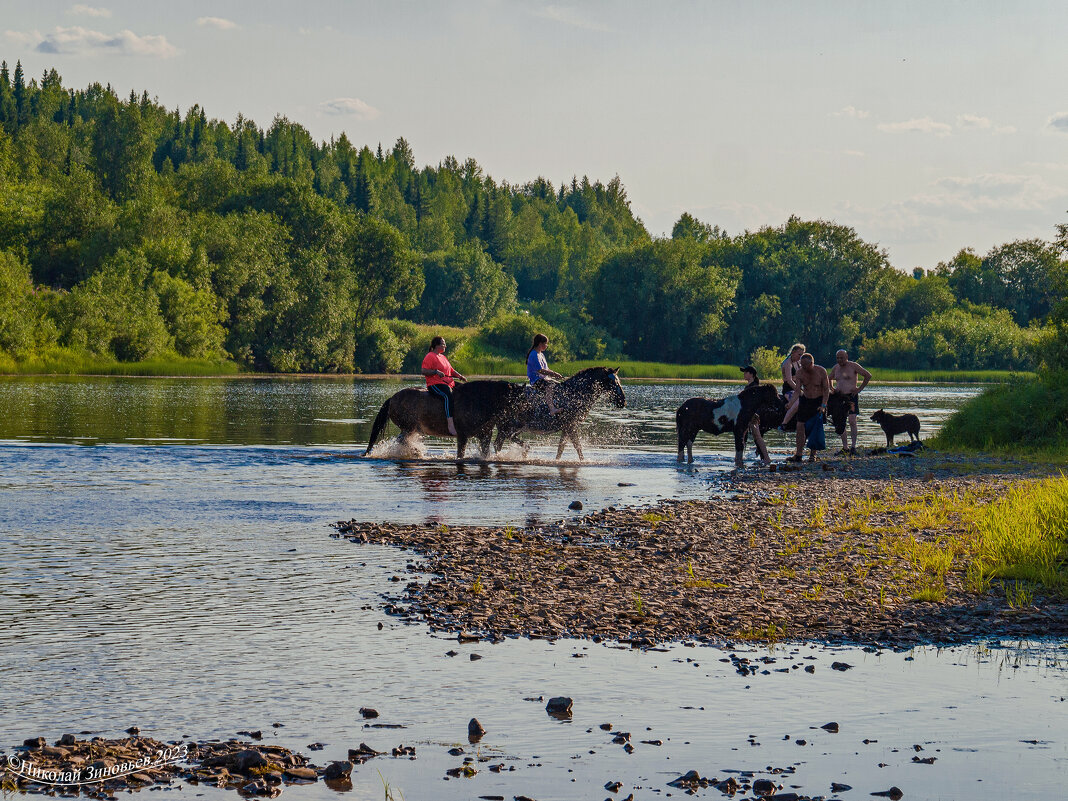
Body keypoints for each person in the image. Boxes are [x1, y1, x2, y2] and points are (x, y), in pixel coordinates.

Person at [421, 336, 467, 436]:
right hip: (435, 384)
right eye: (443, 343)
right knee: (447, 395)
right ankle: (450, 425)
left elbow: (451, 370)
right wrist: (435, 372)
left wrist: (459, 376)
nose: (445, 345)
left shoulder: (443, 357)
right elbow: (424, 371)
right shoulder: (430, 356)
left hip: (448, 382)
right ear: (436, 345)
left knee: (465, 390)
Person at [829, 349, 872, 455]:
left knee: (852, 420)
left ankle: (853, 446)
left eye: (842, 358)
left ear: (846, 356)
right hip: (839, 397)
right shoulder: (836, 367)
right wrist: (831, 388)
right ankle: (845, 447)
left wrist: (859, 389)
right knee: (840, 421)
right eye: (838, 358)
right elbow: (828, 378)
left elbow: (868, 375)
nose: (840, 360)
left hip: (851, 396)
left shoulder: (853, 366)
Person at [788, 353, 829, 462]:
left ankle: (812, 455)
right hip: (805, 400)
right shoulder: (800, 372)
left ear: (812, 363)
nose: (804, 367)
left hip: (818, 401)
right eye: (802, 365)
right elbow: (797, 391)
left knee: (815, 427)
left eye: (806, 365)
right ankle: (799, 454)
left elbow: (826, 390)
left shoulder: (821, 371)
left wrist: (823, 405)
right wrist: (791, 403)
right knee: (800, 426)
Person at [738, 365, 771, 467]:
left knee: (750, 437)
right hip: (750, 415)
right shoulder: (751, 386)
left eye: (746, 372)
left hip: (751, 416)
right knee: (754, 437)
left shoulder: (753, 387)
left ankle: (740, 459)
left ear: (751, 374)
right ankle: (766, 458)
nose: (744, 374)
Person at [526, 333, 563, 414]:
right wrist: (554, 374)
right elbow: (540, 370)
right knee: (550, 386)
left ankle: (556, 404)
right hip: (536, 380)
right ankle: (552, 409)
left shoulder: (541, 354)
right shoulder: (533, 354)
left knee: (560, 385)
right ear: (540, 344)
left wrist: (554, 374)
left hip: (544, 379)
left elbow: (546, 369)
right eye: (546, 343)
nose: (547, 345)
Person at [779, 343, 806, 429]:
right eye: (799, 354)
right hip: (789, 389)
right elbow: (789, 381)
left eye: (802, 355)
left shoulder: (798, 362)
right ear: (793, 352)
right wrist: (800, 391)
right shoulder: (787, 363)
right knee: (798, 402)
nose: (800, 357)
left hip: (798, 387)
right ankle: (784, 423)